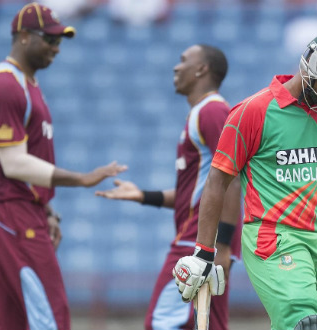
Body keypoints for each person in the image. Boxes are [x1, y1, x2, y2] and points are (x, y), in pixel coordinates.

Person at [172, 30, 317, 330]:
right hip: (276, 240)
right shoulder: (253, 111)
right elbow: (218, 181)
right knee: (305, 324)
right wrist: (204, 252)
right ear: (312, 62)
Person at [0, 3, 127, 330]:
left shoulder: (27, 84)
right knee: (50, 315)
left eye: (60, 41)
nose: (56, 48)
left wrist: (47, 210)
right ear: (23, 37)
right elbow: (13, 163)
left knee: (12, 320)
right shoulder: (6, 86)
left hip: (15, 209)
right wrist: (82, 179)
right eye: (49, 39)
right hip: (5, 210)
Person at [95, 44, 241, 330]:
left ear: (202, 69)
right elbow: (198, 195)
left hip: (199, 244)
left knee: (162, 323)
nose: (176, 67)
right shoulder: (203, 113)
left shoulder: (211, 111)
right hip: (203, 242)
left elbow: (232, 178)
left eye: (184, 60)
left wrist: (219, 244)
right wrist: (144, 196)